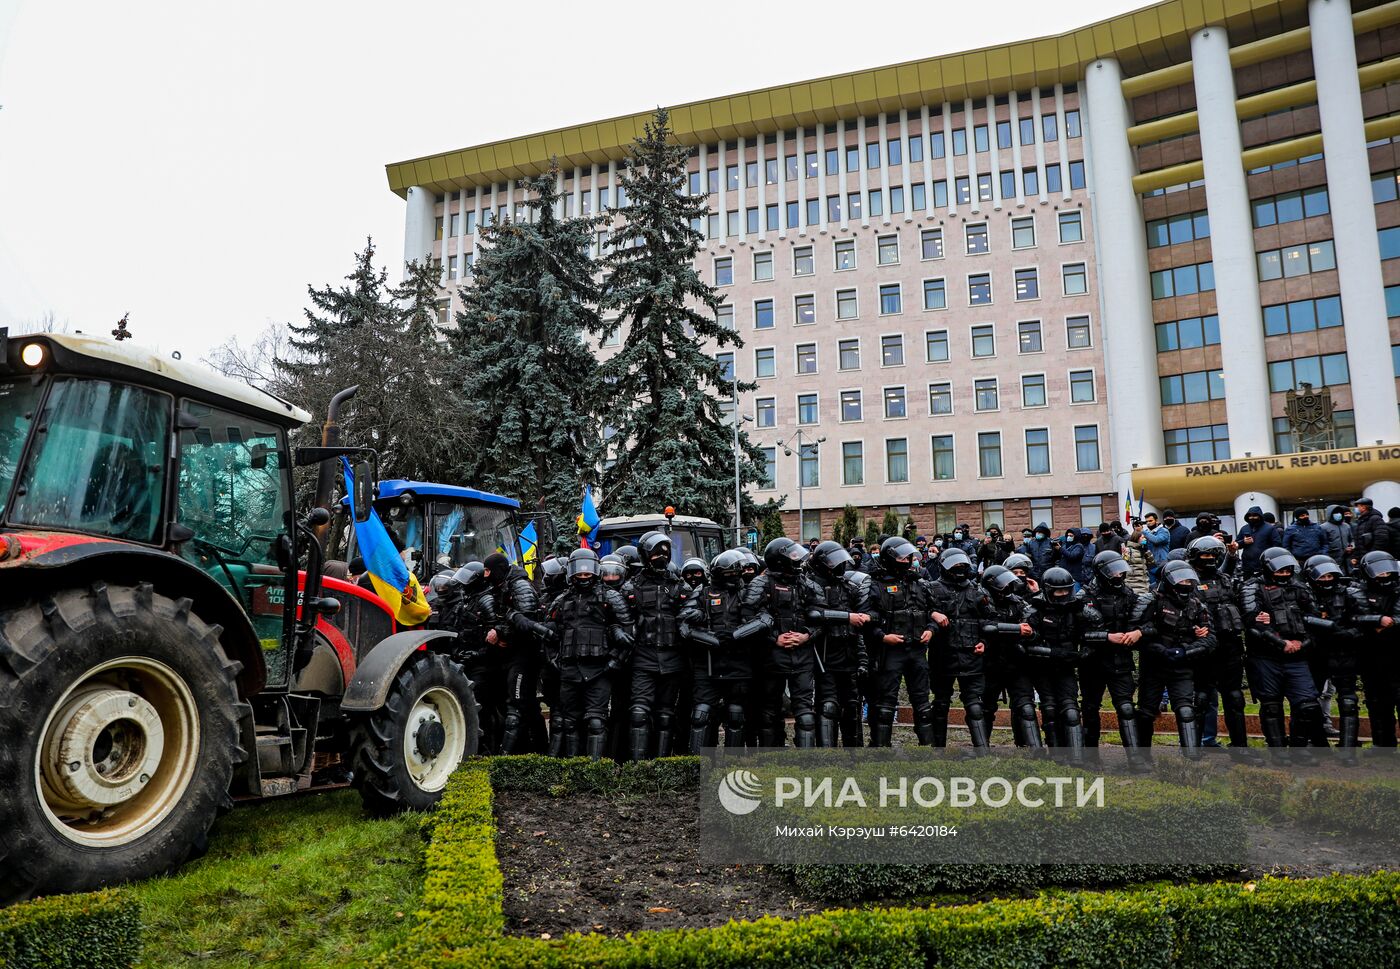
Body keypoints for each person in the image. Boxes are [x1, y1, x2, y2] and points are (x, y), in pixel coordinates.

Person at [542, 549, 632, 759]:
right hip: (569, 670)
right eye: (579, 574)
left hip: (599, 670)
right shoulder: (562, 600)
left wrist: (614, 663)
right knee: (569, 721)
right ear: (571, 574)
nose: (583, 577)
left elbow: (627, 633)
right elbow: (549, 634)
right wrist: (554, 660)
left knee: (596, 721)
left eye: (587, 574)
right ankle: (574, 767)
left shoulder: (611, 598)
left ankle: (595, 768)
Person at [679, 549, 767, 750]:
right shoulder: (703, 593)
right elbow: (684, 623)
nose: (735, 576)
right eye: (730, 572)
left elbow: (765, 620)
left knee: (736, 715)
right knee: (701, 714)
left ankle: (732, 765)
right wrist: (712, 639)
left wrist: (736, 635)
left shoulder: (747, 593)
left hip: (739, 663)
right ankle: (696, 766)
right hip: (708, 662)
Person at [1241, 547, 1326, 749]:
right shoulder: (1251, 587)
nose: (1284, 574)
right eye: (1280, 571)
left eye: (1287, 571)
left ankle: (1299, 747)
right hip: (1265, 656)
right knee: (1271, 705)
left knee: (1307, 705)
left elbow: (1314, 622)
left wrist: (1301, 643)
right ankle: (1277, 749)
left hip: (1297, 656)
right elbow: (1252, 623)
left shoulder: (1301, 588)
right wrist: (1281, 643)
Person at [743, 537, 823, 747]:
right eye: (792, 555)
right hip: (771, 656)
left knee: (805, 713)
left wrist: (806, 635)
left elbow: (821, 618)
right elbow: (747, 618)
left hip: (802, 654)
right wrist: (774, 638)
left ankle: (805, 764)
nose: (796, 560)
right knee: (769, 711)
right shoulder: (760, 584)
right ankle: (772, 757)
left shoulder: (807, 584)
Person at [864, 536, 939, 746]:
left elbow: (932, 612)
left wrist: (931, 630)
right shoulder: (875, 584)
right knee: (885, 704)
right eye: (901, 557)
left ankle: (927, 746)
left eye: (908, 557)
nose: (906, 561)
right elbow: (867, 618)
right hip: (890, 651)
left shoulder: (920, 584)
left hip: (916, 650)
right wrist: (882, 636)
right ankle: (881, 747)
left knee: (923, 702)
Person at [1135, 560, 1213, 754]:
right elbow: (1137, 634)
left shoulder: (1197, 605)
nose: (1185, 584)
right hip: (1153, 666)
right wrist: (1161, 651)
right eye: (1181, 580)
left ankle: (1191, 760)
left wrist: (1186, 651)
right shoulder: (1152, 601)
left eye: (1189, 580)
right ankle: (1142, 759)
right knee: (1145, 713)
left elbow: (1210, 640)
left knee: (1186, 711)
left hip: (1182, 666)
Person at [627, 532, 691, 759]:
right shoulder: (631, 587)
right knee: (639, 713)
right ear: (645, 555)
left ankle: (662, 764)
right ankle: (638, 767)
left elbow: (694, 610)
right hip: (643, 657)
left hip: (673, 658)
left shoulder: (679, 586)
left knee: (665, 714)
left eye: (665, 552)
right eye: (655, 553)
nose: (661, 557)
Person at [926, 548, 996, 748]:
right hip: (942, 655)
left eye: (962, 566)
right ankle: (937, 750)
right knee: (940, 703)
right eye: (955, 566)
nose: (958, 569)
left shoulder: (977, 591)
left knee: (975, 706)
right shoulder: (932, 588)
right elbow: (919, 611)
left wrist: (985, 642)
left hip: (971, 654)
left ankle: (982, 751)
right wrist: (933, 614)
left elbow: (989, 620)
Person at [805, 541, 872, 747]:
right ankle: (826, 755)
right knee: (827, 706)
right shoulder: (809, 585)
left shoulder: (848, 587)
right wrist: (847, 617)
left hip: (849, 654)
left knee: (852, 706)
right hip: (824, 655)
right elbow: (814, 614)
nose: (839, 565)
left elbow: (859, 626)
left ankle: (853, 755)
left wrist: (862, 659)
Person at [1079, 551, 1145, 756]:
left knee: (1126, 708)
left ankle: (1135, 759)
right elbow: (1077, 633)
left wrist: (1138, 632)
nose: (1118, 575)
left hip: (1120, 660)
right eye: (1113, 572)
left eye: (1120, 571)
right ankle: (1090, 757)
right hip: (1092, 661)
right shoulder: (1084, 596)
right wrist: (1106, 637)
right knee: (1090, 708)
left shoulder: (1128, 594)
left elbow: (1146, 621)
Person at [1020, 567, 1091, 754]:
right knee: (1049, 709)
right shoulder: (1034, 610)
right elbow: (1024, 644)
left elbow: (1092, 634)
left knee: (1071, 711)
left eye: (1066, 590)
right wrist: (1054, 653)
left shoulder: (1077, 609)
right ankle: (1056, 754)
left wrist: (1084, 654)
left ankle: (1077, 757)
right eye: (1058, 591)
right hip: (1042, 667)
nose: (1063, 595)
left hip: (1067, 667)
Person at [482, 552, 546, 755]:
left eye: (488, 570)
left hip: (524, 654)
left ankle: (510, 757)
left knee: (518, 704)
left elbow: (527, 621)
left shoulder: (519, 586)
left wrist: (501, 632)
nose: (485, 575)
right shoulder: (500, 586)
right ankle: (535, 750)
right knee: (525, 704)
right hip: (510, 653)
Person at [1187, 537, 1248, 749]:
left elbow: (1242, 605)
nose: (1210, 559)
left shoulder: (1225, 579)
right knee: (1201, 698)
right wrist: (1191, 629)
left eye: (1213, 555)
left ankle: (1240, 747)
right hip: (1203, 648)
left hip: (1229, 646)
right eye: (1205, 555)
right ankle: (1194, 748)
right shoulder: (1188, 581)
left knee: (1235, 698)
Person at [1306, 555, 1361, 752]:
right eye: (1322, 576)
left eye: (1330, 575)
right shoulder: (1304, 593)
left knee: (1348, 700)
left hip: (1343, 653)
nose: (1327, 580)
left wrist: (1346, 634)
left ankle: (1348, 748)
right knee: (1310, 700)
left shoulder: (1348, 594)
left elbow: (1360, 622)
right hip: (1316, 654)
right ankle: (1317, 742)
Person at [978, 565, 1037, 746]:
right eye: (1002, 583)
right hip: (989, 663)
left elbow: (1033, 623)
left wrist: (1035, 595)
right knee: (985, 709)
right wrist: (1016, 630)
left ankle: (1031, 750)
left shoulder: (1017, 602)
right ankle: (981, 751)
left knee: (1025, 707)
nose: (1006, 587)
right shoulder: (980, 601)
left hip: (1016, 662)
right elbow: (986, 627)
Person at [1347, 551, 1400, 747]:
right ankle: (1382, 746)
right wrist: (1377, 620)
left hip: (1396, 654)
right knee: (1377, 703)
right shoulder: (1356, 591)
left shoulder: (1398, 590)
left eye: (1387, 573)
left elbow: (1396, 617)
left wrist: (1390, 622)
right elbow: (1352, 618)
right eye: (1379, 573)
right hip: (1370, 656)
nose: (1384, 577)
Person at [1236, 506, 1280, 578]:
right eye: (1250, 516)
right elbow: (1237, 543)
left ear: (1260, 516)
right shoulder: (1244, 528)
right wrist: (1243, 542)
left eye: (1255, 515)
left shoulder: (1270, 528)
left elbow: (1277, 545)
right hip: (1248, 566)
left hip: (1265, 566)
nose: (1252, 518)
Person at [1351, 497, 1394, 568]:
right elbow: (1358, 542)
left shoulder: (1375, 519)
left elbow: (1382, 538)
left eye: (1358, 506)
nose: (1356, 509)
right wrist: (1356, 557)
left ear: (1363, 507)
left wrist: (1372, 555)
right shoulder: (1361, 520)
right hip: (1363, 560)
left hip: (1373, 560)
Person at [1321, 504, 1355, 571]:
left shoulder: (1346, 526)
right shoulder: (1323, 527)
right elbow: (1323, 544)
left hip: (1347, 557)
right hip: (1333, 558)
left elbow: (1352, 539)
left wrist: (1351, 546)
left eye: (1340, 513)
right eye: (1335, 513)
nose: (1338, 514)